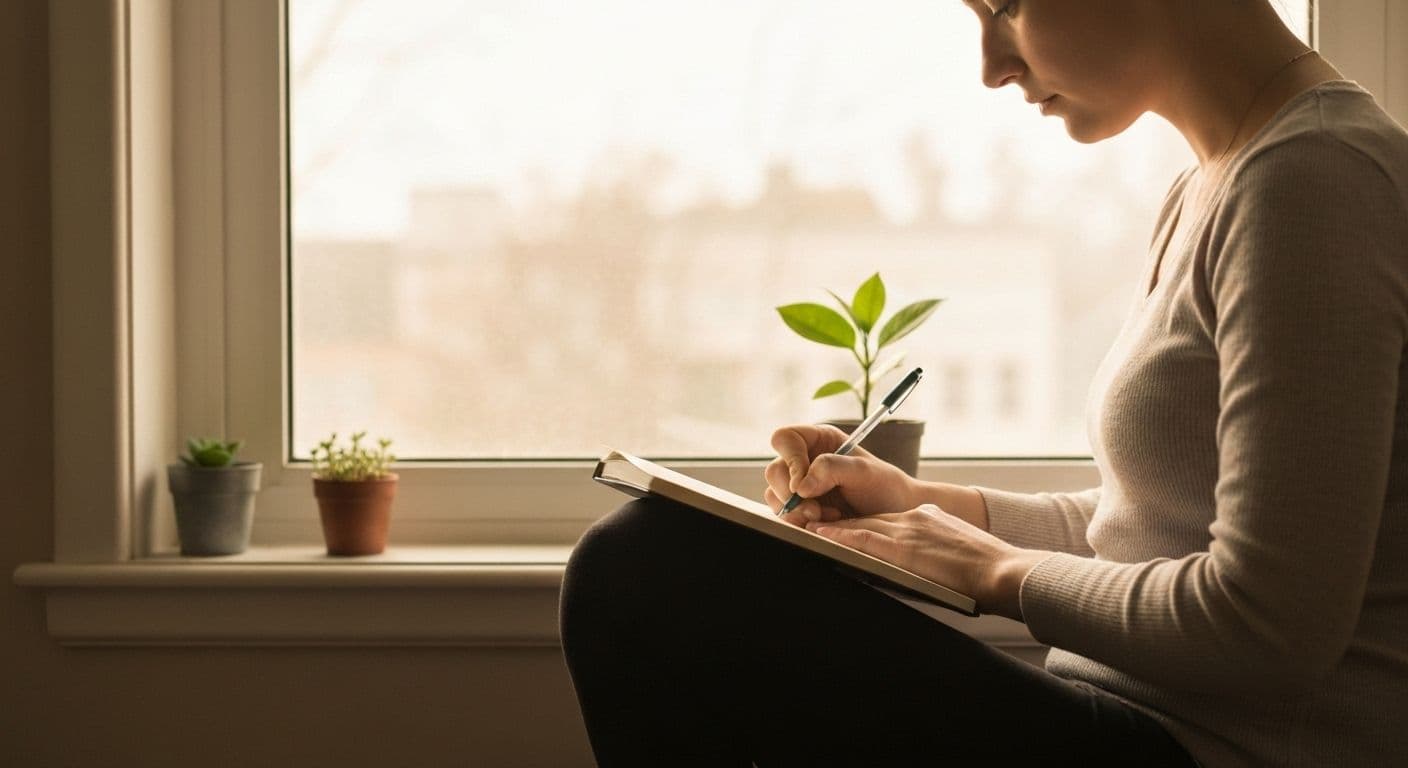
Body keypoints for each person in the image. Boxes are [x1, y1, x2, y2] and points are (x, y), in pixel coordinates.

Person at [559, 0, 1408, 764]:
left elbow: (1266, 629)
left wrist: (994, 569)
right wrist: (920, 507)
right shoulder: (1222, 180)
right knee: (650, 560)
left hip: (1212, 749)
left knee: (642, 569)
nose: (992, 66)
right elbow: (1152, 524)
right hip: (1125, 715)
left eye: (1005, 7)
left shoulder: (1316, 180)